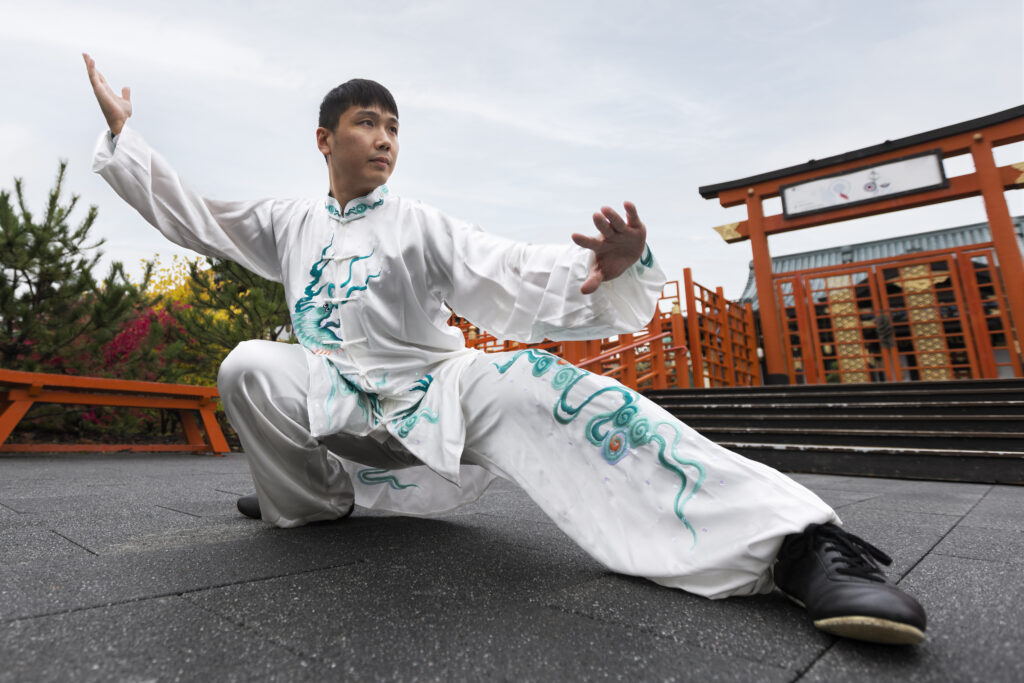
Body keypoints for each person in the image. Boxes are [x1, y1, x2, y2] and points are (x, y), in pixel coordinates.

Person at [83, 53, 927, 645]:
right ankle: (309, 501)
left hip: (435, 394)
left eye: (393, 126)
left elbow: (507, 270)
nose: (383, 138)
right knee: (248, 366)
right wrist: (129, 143)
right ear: (323, 138)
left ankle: (792, 545)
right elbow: (197, 216)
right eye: (365, 123)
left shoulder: (419, 224)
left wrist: (604, 265)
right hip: (339, 396)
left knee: (559, 392)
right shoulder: (290, 222)